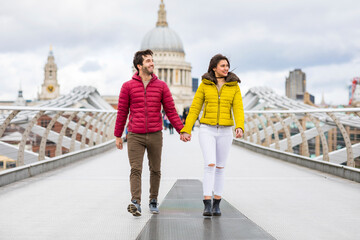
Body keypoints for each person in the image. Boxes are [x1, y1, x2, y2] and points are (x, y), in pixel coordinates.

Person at [114, 49, 183, 217]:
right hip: (135, 134)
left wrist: (182, 130)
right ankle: (135, 202)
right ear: (139, 66)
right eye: (148, 61)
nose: (152, 63)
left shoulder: (161, 86)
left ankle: (153, 200)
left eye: (152, 60)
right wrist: (118, 136)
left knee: (155, 169)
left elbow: (171, 111)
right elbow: (122, 112)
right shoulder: (127, 86)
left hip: (155, 134)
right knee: (135, 169)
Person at [180, 54, 244, 216]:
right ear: (214, 67)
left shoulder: (234, 86)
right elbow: (195, 108)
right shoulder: (204, 84)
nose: (226, 68)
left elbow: (238, 108)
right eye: (222, 66)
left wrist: (240, 126)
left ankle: (217, 203)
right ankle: (207, 203)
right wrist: (186, 129)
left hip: (225, 131)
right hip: (207, 129)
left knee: (221, 167)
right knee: (210, 164)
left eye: (227, 66)